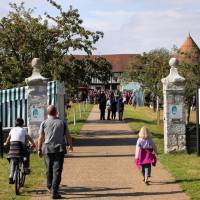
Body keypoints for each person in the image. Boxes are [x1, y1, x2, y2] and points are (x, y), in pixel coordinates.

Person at [37, 105, 73, 199]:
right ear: (56, 112)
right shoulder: (62, 123)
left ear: (47, 112)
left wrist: (39, 149)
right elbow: (68, 135)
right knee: (57, 170)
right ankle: (54, 191)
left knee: (49, 169)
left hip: (47, 148)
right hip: (59, 149)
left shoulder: (44, 123)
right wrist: (70, 145)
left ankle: (50, 186)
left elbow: (40, 137)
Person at [4, 118, 36, 184]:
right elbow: (29, 138)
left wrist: (5, 143)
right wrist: (33, 144)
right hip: (20, 146)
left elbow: (8, 139)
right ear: (22, 124)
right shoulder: (23, 130)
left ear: (16, 123)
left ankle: (11, 175)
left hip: (13, 147)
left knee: (13, 159)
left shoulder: (12, 129)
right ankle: (25, 168)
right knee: (26, 154)